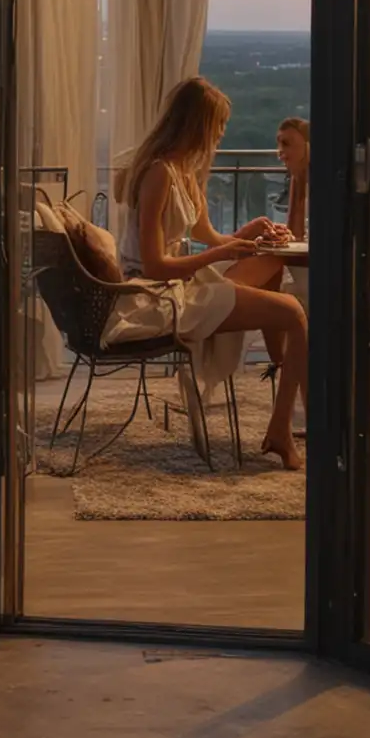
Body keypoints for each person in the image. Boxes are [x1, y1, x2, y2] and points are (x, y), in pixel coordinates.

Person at [106, 77, 308, 470]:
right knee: (294, 314)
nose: (220, 134)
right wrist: (221, 253)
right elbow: (152, 266)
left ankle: (285, 389)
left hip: (181, 283)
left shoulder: (184, 173)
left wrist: (250, 233)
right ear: (198, 124)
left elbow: (210, 237)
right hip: (154, 295)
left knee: (273, 262)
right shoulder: (158, 174)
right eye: (218, 126)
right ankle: (282, 426)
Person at [275, 116, 310, 241]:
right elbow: (295, 236)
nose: (280, 153)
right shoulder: (297, 179)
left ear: (308, 147)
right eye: (279, 145)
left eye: (286, 144)